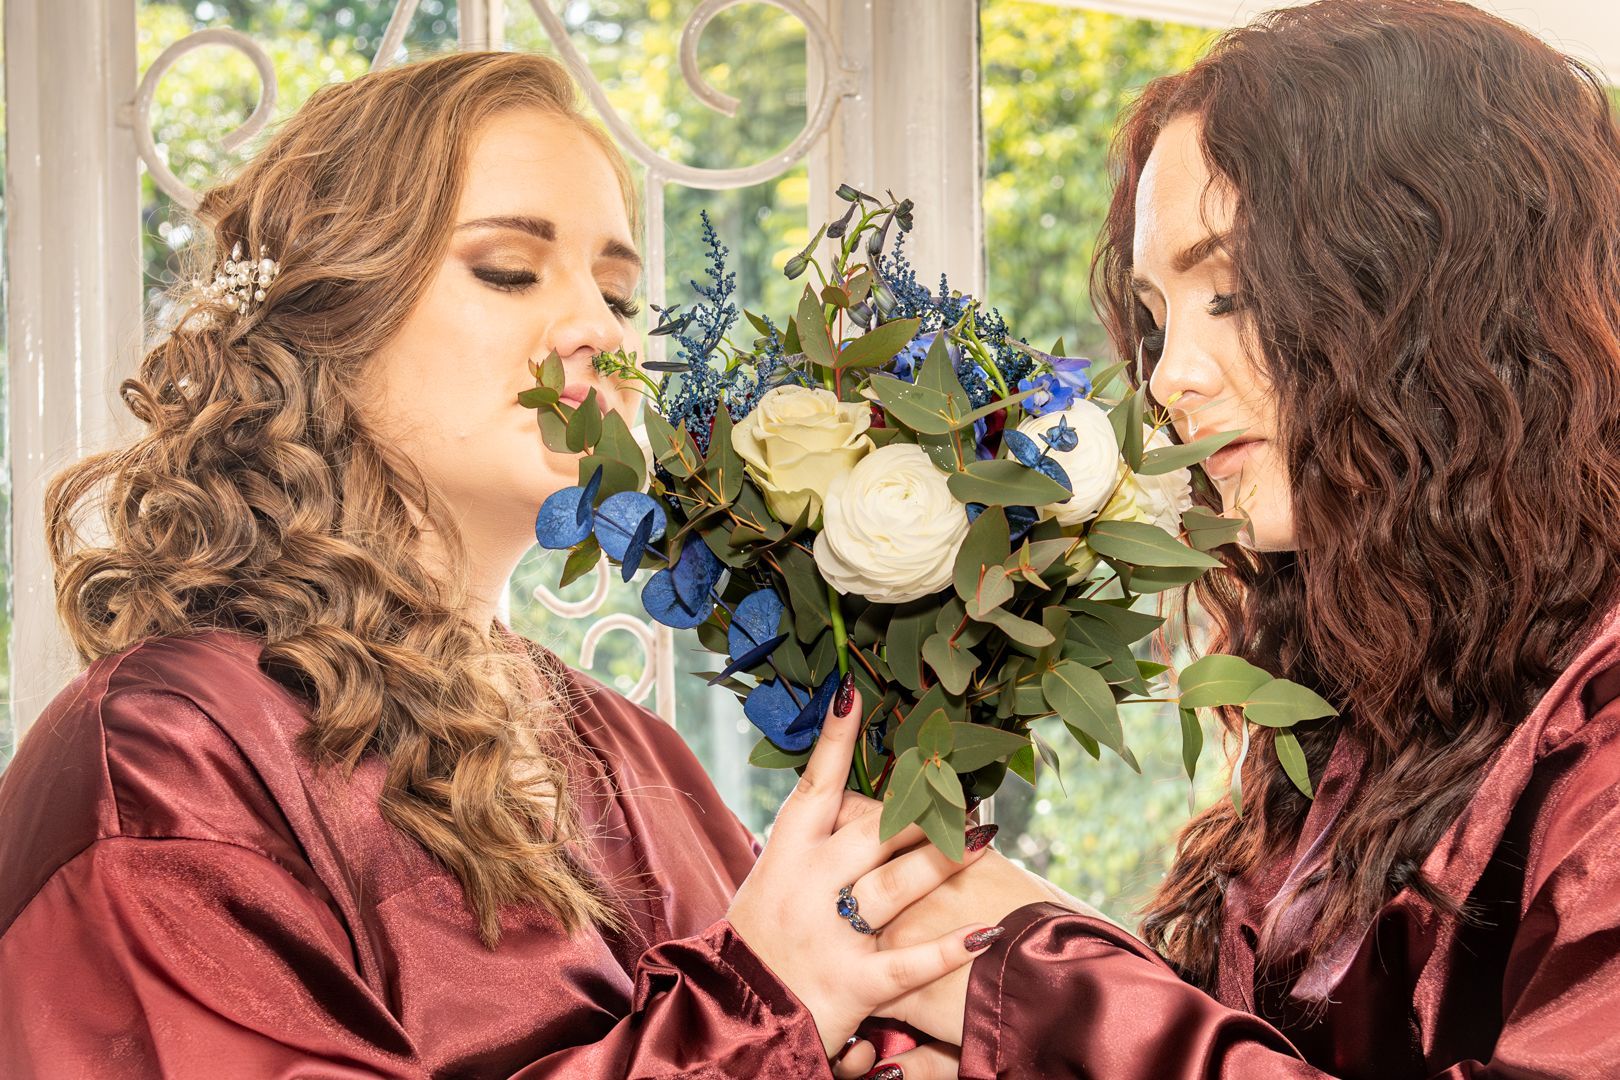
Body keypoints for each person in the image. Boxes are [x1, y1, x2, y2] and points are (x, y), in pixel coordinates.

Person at [0, 50, 1004, 1079]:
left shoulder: (638, 755)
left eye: (618, 294)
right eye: (509, 270)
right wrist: (760, 1014)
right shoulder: (164, 755)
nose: (597, 332)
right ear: (329, 320)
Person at [859, 1, 1620, 1076]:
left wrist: (1052, 991)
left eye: (1234, 290)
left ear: (1448, 289)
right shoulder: (1375, 687)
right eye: (1156, 318)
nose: (1169, 378)